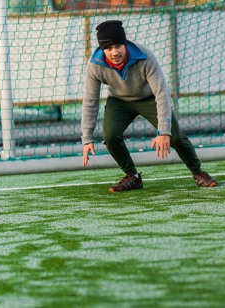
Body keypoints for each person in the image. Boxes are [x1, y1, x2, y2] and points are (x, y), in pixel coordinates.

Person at [81, 20, 218, 192]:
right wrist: (87, 138)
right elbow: (90, 101)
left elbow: (161, 93)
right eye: (109, 48)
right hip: (119, 101)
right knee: (110, 135)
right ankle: (133, 176)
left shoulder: (144, 55)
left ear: (124, 44)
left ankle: (198, 172)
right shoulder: (95, 65)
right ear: (103, 49)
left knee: (175, 137)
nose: (114, 52)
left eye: (118, 46)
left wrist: (164, 131)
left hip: (149, 98)